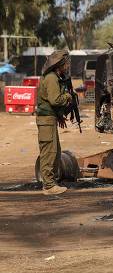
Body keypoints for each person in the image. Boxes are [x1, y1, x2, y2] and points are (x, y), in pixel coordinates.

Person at [36, 49, 73, 195]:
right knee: (49, 152)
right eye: (67, 63)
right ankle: (49, 186)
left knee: (55, 151)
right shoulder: (51, 78)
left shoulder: (55, 76)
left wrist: (59, 116)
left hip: (50, 119)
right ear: (61, 64)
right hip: (46, 120)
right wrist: (67, 97)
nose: (68, 66)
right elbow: (54, 100)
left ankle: (51, 183)